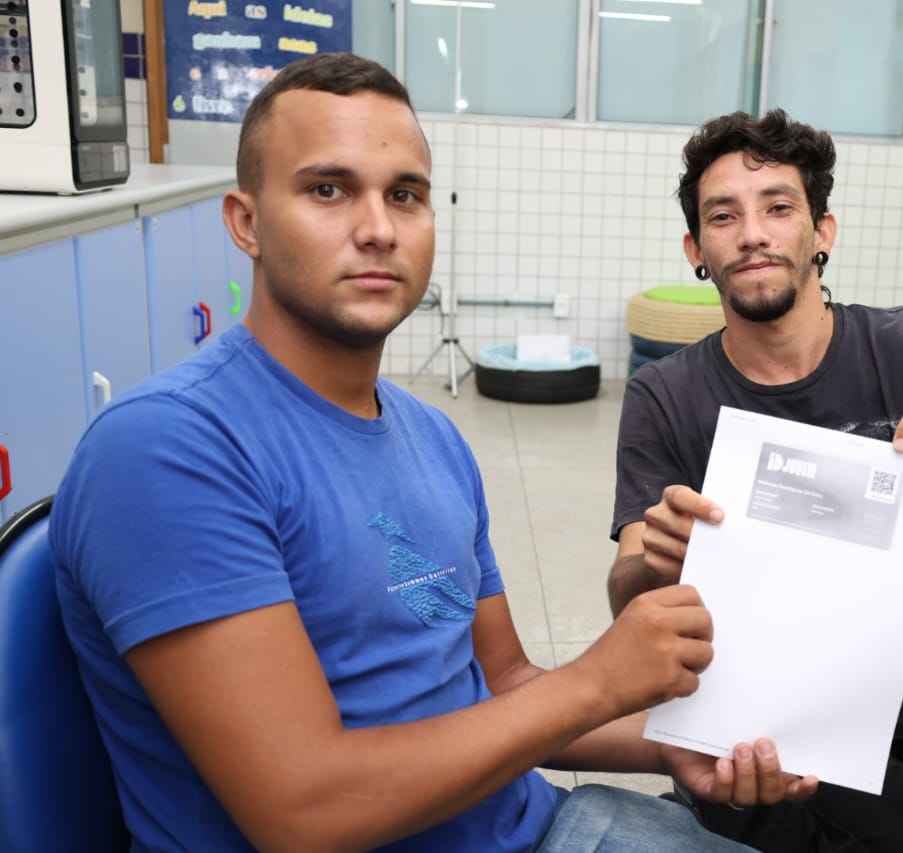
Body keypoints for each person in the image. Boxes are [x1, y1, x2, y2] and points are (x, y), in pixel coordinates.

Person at [49, 54, 818, 853]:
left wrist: (673, 743)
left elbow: (505, 685)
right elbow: (303, 811)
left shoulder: (433, 437)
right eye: (328, 189)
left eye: (405, 195)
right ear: (245, 221)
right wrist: (599, 679)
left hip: (540, 821)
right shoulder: (169, 449)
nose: (378, 226)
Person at [607, 109, 903, 852]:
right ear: (696, 248)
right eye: (723, 215)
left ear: (821, 232)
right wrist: (656, 561)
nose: (753, 233)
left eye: (778, 207)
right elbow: (627, 591)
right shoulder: (665, 394)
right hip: (764, 702)